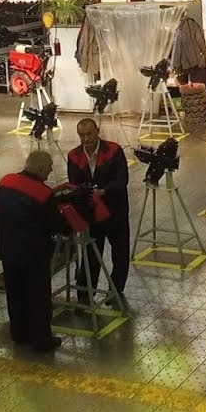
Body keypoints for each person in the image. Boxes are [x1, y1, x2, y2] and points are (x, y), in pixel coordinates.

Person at [0, 150, 66, 353]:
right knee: (38, 297)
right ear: (40, 169)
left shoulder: (5, 182)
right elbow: (55, 224)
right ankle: (41, 340)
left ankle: (19, 333)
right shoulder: (42, 193)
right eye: (49, 168)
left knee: (15, 294)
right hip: (33, 255)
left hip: (8, 250)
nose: (50, 172)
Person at [67, 118, 130, 306]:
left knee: (120, 252)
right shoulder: (74, 156)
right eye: (82, 135)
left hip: (115, 212)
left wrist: (103, 191)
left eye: (89, 134)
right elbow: (75, 185)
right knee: (90, 254)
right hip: (92, 215)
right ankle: (85, 294)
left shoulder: (114, 151)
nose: (86, 139)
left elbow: (122, 180)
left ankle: (115, 291)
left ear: (98, 131)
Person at [170, 13, 206, 89]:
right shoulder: (193, 24)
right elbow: (201, 42)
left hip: (185, 63)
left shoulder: (179, 28)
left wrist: (175, 65)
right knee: (200, 87)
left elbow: (177, 49)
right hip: (198, 62)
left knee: (187, 88)